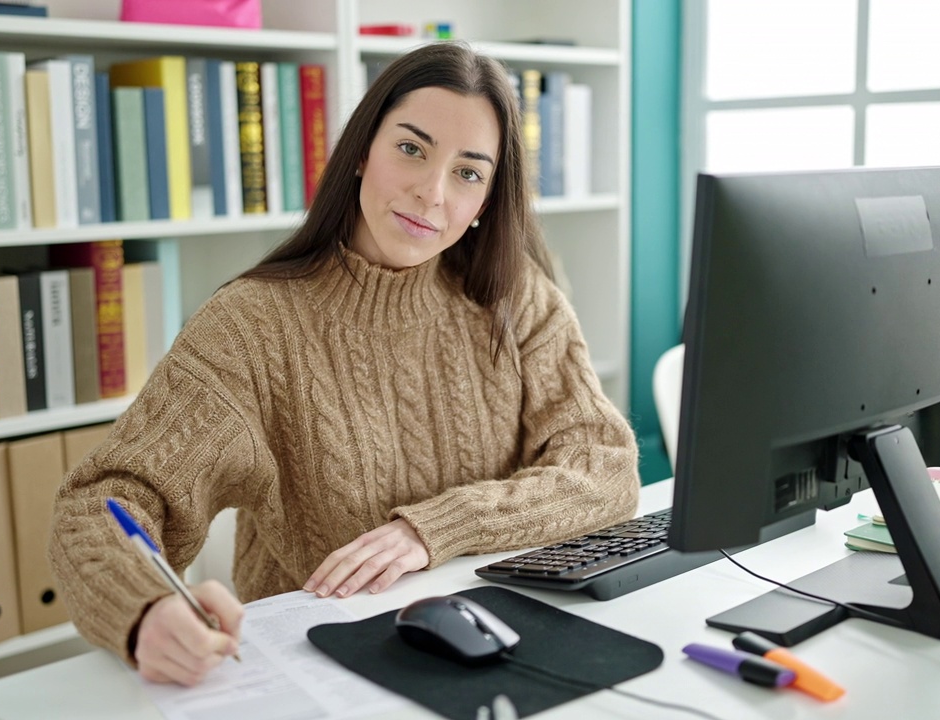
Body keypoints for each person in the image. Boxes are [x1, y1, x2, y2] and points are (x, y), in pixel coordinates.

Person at [48, 41, 640, 687]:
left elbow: (605, 467)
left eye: (468, 172)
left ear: (489, 201)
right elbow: (105, 500)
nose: (431, 193)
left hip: (497, 637)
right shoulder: (255, 325)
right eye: (411, 149)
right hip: (323, 662)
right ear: (361, 153)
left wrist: (435, 529)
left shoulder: (514, 297)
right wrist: (144, 611)